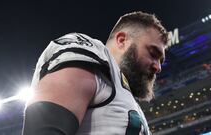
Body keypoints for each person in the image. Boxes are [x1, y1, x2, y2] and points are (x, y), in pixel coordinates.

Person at [22, 11, 169, 135]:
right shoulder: (93, 54)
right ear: (122, 40)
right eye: (152, 53)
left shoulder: (125, 96)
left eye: (161, 61)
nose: (158, 67)